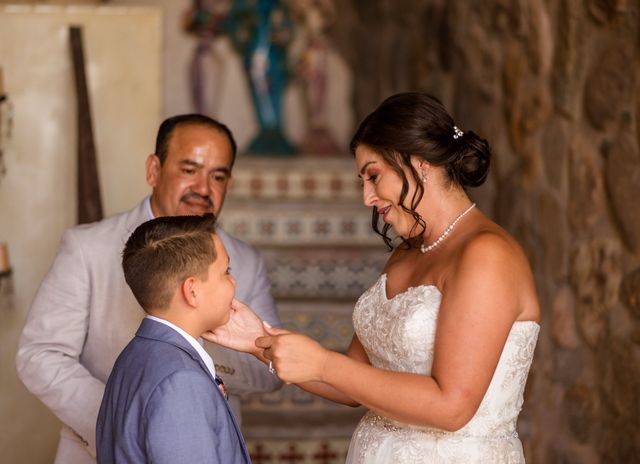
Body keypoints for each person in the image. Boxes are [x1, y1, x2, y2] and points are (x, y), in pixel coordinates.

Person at [207, 93, 541, 463]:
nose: (366, 197)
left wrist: (321, 363)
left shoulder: (486, 254)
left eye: (373, 175)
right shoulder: (406, 253)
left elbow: (452, 407)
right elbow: (354, 382)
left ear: (419, 163)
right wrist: (260, 342)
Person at [16, 114, 281, 463]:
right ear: (154, 170)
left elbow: (270, 373)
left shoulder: (244, 262)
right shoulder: (87, 247)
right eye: (190, 170)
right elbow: (40, 355)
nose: (204, 188)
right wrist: (121, 424)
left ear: (229, 183)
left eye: (218, 176)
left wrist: (201, 343)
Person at [97, 214, 250, 464]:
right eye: (226, 272)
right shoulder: (181, 382)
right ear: (192, 291)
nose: (233, 283)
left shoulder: (133, 355)